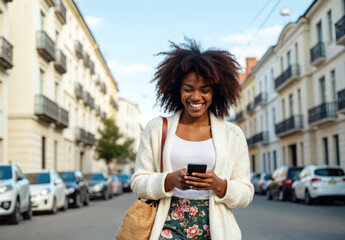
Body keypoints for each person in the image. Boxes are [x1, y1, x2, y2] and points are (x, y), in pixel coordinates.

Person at [131, 39, 254, 240]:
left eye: (204, 90)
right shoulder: (156, 129)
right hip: (166, 227)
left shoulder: (233, 135)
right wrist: (169, 180)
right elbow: (138, 182)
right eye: (188, 88)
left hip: (216, 231)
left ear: (215, 92)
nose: (196, 97)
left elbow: (246, 194)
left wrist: (219, 184)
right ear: (177, 89)